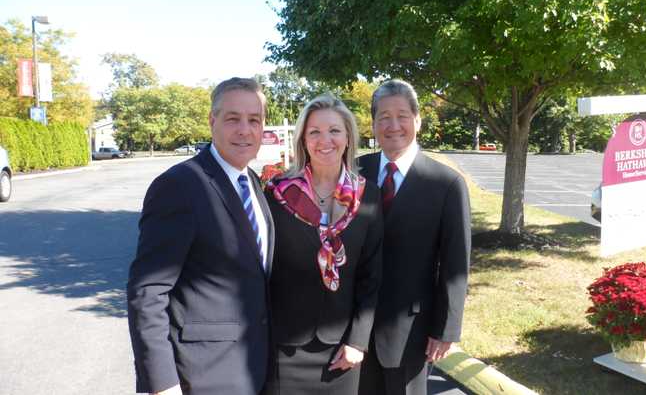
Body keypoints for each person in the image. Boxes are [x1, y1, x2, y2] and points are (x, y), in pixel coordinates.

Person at [127, 77, 274, 395]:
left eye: (254, 120)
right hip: (203, 375)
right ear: (212, 121)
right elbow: (148, 292)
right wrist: (162, 383)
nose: (244, 130)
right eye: (233, 119)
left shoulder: (253, 182)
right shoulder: (179, 186)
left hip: (256, 369)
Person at [263, 94, 383, 394]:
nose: (324, 140)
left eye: (334, 131)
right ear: (303, 139)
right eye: (314, 132)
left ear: (347, 137)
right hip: (283, 346)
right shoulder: (277, 193)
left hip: (341, 349)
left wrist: (358, 341)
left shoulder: (368, 196)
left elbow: (372, 276)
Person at [358, 79, 471, 395]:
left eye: (402, 116)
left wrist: (446, 328)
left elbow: (455, 264)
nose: (393, 125)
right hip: (352, 330)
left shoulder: (446, 184)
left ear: (418, 120)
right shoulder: (353, 172)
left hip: (411, 332)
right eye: (384, 117)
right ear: (374, 123)